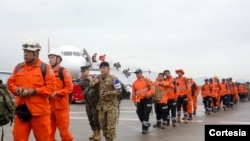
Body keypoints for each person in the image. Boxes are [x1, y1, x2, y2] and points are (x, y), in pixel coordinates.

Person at [7, 38, 56, 141]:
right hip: (21, 111)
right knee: (18, 138)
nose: (25, 54)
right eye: (24, 51)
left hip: (40, 114)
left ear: (36, 53)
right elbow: (10, 83)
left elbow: (51, 87)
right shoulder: (18, 67)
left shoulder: (45, 68)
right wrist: (17, 90)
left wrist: (34, 91)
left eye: (29, 52)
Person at [91, 61, 122, 141]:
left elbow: (119, 90)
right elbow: (91, 85)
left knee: (111, 127)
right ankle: (107, 139)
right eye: (101, 68)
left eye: (104, 68)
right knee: (103, 126)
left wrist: (108, 93)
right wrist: (94, 82)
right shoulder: (98, 77)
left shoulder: (114, 79)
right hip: (101, 106)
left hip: (111, 106)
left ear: (109, 69)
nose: (102, 70)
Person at [48, 48, 74, 141]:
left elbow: (69, 88)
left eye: (52, 57)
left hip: (61, 108)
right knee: (49, 133)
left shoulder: (64, 72)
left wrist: (56, 93)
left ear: (58, 59)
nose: (50, 59)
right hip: (50, 108)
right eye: (49, 57)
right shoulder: (47, 72)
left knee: (64, 132)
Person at [79, 65, 101, 141]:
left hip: (95, 102)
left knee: (95, 118)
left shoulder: (94, 78)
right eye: (82, 72)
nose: (82, 73)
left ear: (88, 71)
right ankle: (94, 132)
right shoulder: (82, 80)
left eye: (84, 71)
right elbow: (83, 89)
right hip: (88, 102)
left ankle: (98, 133)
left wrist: (91, 80)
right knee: (90, 118)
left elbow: (96, 87)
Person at [131, 69, 155, 134]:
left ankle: (144, 129)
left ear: (141, 73)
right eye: (136, 73)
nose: (137, 74)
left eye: (138, 73)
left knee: (146, 114)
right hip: (139, 101)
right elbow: (133, 93)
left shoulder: (147, 80)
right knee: (139, 113)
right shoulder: (134, 83)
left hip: (147, 99)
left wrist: (149, 93)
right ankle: (146, 124)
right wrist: (134, 101)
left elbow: (152, 88)